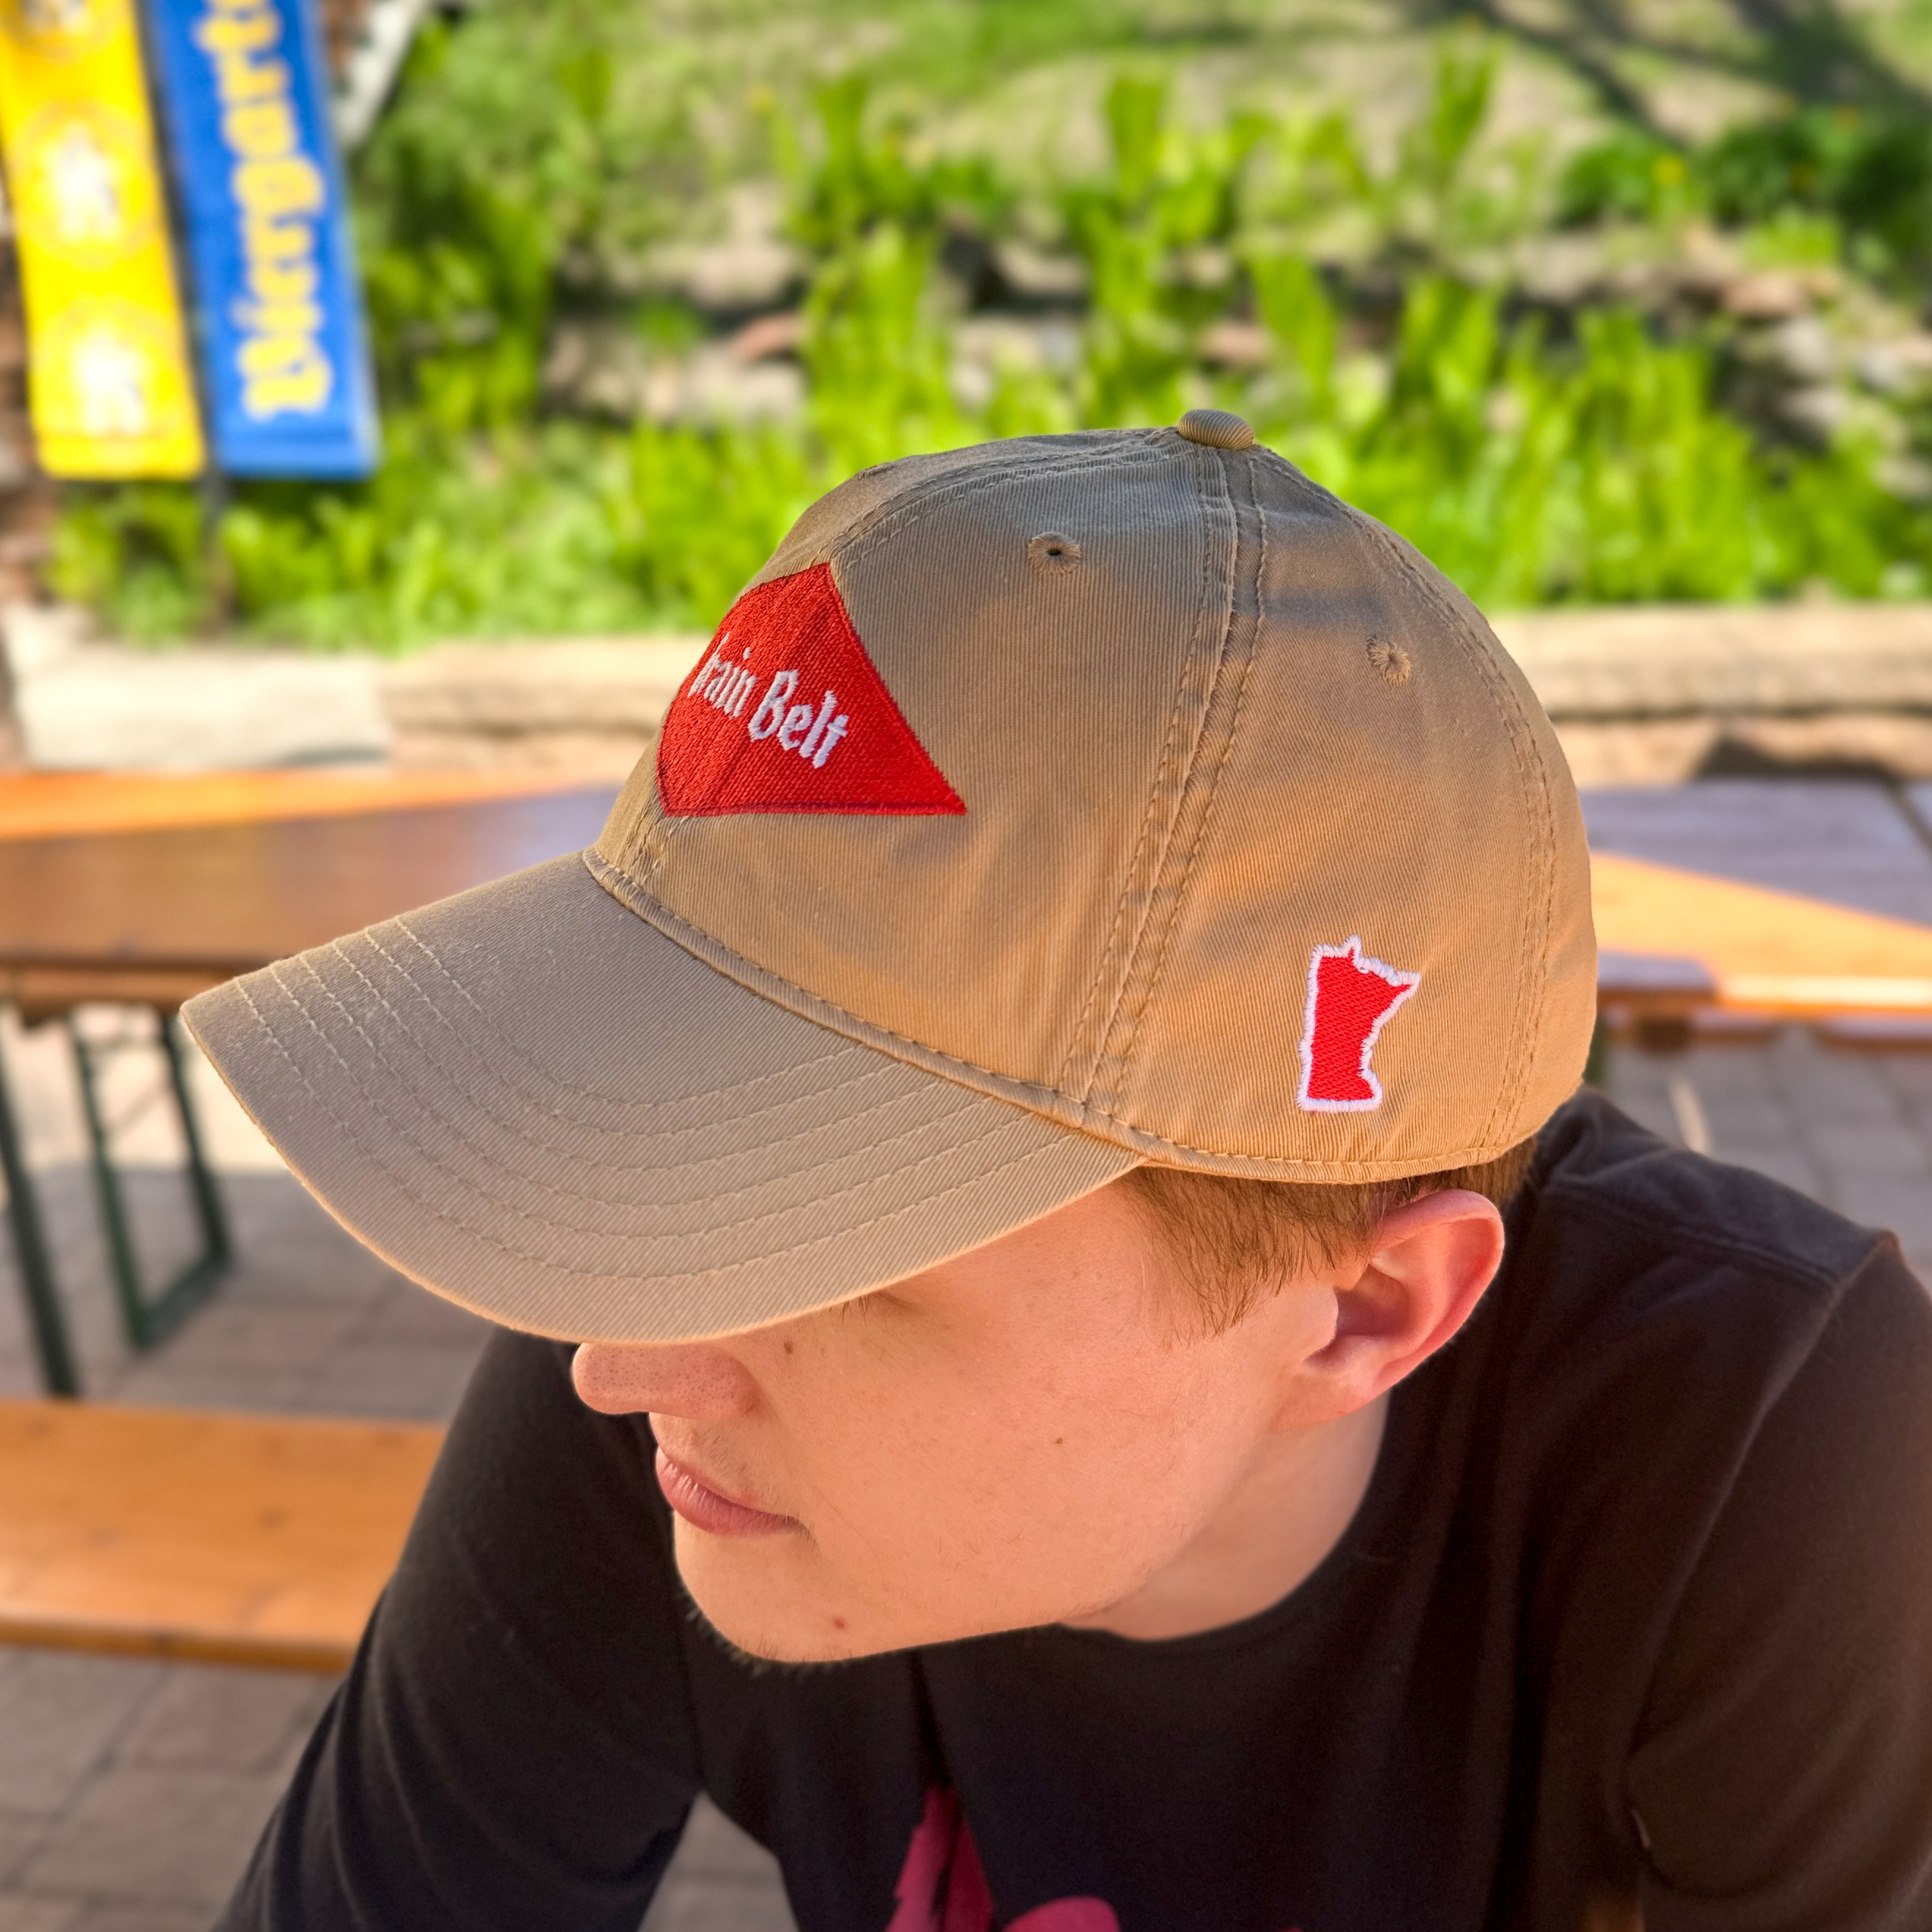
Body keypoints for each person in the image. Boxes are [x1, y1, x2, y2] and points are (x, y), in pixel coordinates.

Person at [188, 411, 1932, 1932]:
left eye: (852, 1250)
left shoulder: (1764, 1442)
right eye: (681, 1159)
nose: (614, 1361)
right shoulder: (682, 1365)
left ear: (1363, 1308)